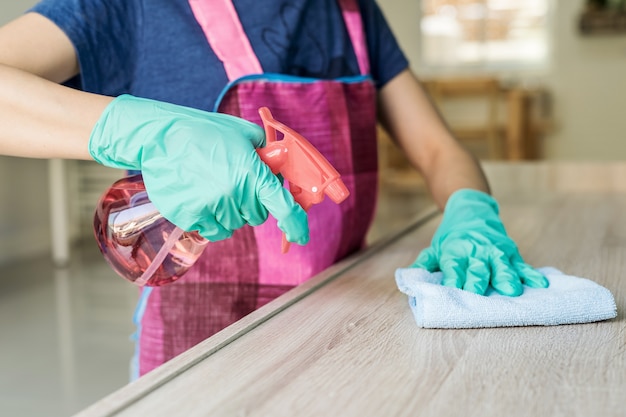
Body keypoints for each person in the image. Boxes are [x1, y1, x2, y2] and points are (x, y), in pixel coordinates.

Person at [0, 0, 548, 377]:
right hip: (203, 347)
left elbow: (438, 150)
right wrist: (146, 132)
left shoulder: (353, 14)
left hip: (345, 328)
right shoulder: (132, 9)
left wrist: (471, 212)